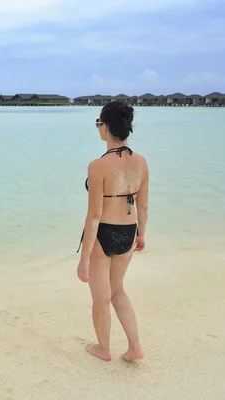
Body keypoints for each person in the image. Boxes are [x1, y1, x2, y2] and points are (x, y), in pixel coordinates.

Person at [76, 100, 149, 362]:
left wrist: (84, 258)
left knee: (101, 296)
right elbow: (143, 203)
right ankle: (134, 348)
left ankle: (103, 349)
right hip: (128, 232)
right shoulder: (140, 162)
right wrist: (141, 234)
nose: (99, 129)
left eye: (99, 124)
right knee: (118, 291)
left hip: (104, 234)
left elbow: (95, 213)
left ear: (105, 128)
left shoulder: (98, 165)